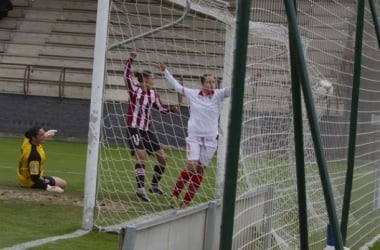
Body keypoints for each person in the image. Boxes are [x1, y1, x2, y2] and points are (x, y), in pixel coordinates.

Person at [153, 61, 231, 209]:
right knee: (191, 166)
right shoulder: (194, 94)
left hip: (210, 140)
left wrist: (250, 79)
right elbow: (177, 87)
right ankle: (175, 196)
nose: (211, 84)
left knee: (200, 169)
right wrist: (165, 71)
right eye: (208, 82)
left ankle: (187, 200)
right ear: (202, 83)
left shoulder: (219, 95)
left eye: (213, 81)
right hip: (194, 137)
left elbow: (234, 89)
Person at [124, 50, 178, 202]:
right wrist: (131, 59)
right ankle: (140, 189)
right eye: (152, 78)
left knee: (163, 158)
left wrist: (171, 110)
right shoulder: (134, 89)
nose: (153, 80)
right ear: (145, 80)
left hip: (147, 130)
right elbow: (126, 76)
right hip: (133, 128)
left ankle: (154, 185)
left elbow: (161, 109)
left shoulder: (154, 95)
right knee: (141, 157)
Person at [17, 126, 67, 193]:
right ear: (34, 138)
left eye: (44, 133)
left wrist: (46, 134)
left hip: (23, 177)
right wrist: (49, 188)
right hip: (30, 182)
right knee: (63, 183)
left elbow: (28, 135)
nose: (44, 136)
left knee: (60, 182)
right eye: (41, 135)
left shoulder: (27, 142)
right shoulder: (34, 155)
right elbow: (34, 178)